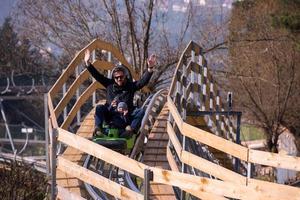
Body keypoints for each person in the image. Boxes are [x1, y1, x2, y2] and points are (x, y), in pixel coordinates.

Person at [84, 49, 156, 137]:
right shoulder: (109, 84)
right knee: (99, 107)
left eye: (121, 77)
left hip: (126, 114)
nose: (119, 79)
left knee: (141, 111)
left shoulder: (130, 86)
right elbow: (97, 76)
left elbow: (142, 82)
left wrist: (150, 69)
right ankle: (98, 128)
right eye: (116, 77)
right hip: (111, 114)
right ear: (114, 78)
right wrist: (88, 64)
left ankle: (131, 131)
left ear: (125, 76)